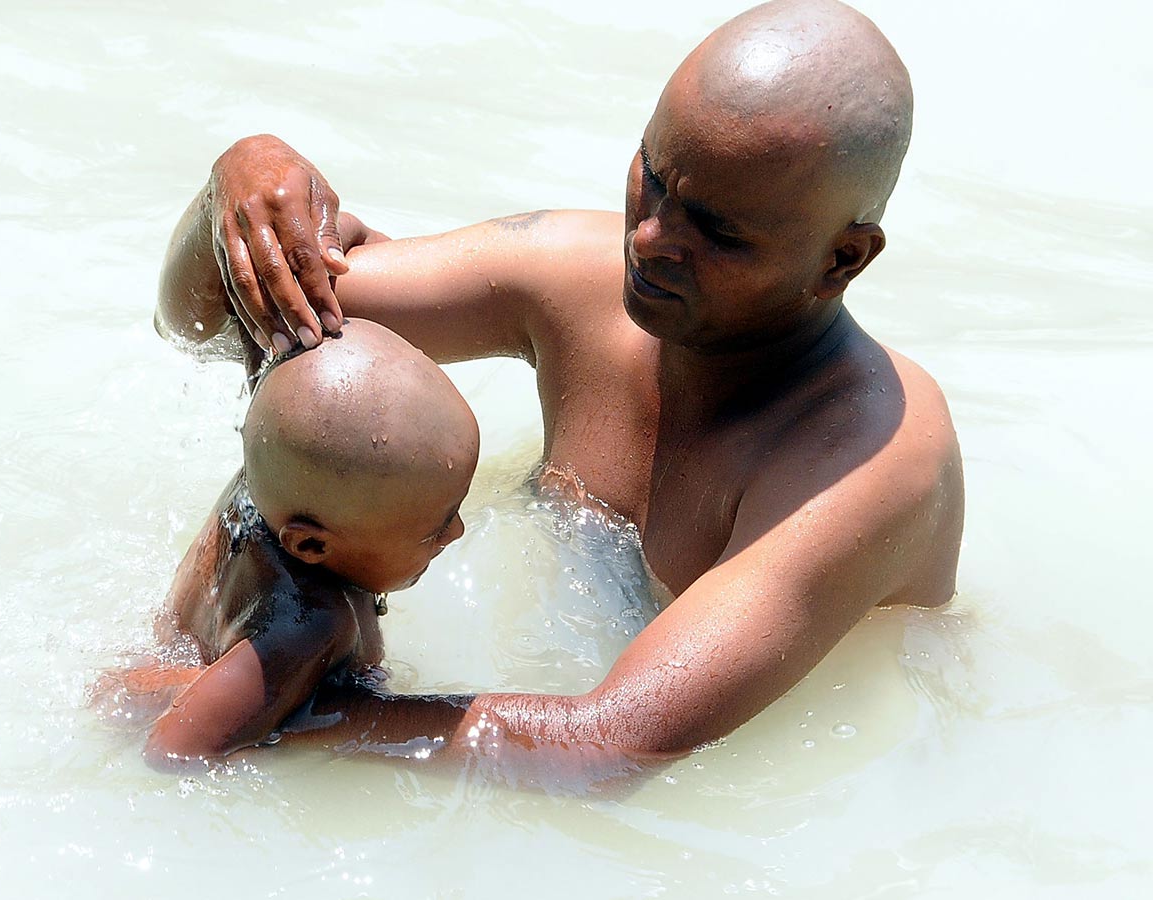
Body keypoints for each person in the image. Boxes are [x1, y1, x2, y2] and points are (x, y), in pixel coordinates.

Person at [155, 0, 964, 764]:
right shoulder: (572, 280)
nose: (648, 240)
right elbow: (207, 318)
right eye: (652, 172)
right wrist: (238, 181)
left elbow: (610, 748)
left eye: (716, 229)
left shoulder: (871, 460)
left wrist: (227, 719)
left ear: (843, 258)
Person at [131, 320, 479, 768]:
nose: (459, 532)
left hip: (169, 655)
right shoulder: (311, 628)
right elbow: (173, 748)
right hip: (167, 701)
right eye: (435, 528)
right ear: (311, 546)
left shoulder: (274, 480)